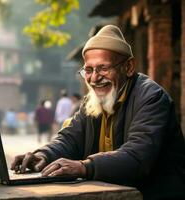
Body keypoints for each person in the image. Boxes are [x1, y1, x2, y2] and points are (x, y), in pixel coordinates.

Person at [11, 25, 185, 200]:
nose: (94, 78)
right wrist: (43, 154)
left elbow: (138, 156)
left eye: (103, 68)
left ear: (129, 67)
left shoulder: (151, 97)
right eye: (88, 70)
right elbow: (70, 139)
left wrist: (84, 167)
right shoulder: (91, 101)